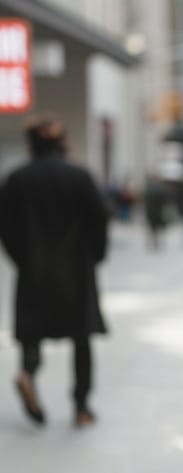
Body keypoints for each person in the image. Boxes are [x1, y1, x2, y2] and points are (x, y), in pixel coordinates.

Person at [0, 115, 108, 428]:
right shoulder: (79, 176)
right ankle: (81, 405)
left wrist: (21, 257)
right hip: (75, 268)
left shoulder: (17, 179)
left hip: (33, 267)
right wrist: (95, 256)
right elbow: (98, 220)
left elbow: (5, 226)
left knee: (31, 334)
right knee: (81, 338)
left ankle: (28, 374)